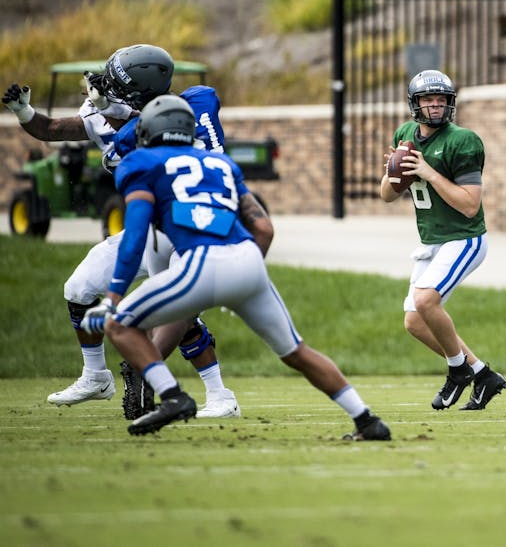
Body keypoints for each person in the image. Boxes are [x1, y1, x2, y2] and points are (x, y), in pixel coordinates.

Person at [76, 95, 391, 439]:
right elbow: (262, 227)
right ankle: (366, 420)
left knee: (118, 324)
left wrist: (113, 296)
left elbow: (136, 236)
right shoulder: (221, 164)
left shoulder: (141, 163)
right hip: (248, 261)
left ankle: (172, 396)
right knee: (297, 352)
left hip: (202, 261)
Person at [2, 44, 240, 419]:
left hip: (194, 226)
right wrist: (25, 113)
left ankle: (218, 394)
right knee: (78, 288)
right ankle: (96, 376)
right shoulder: (125, 114)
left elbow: (139, 128)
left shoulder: (181, 116)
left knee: (180, 307)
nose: (102, 86)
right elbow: (53, 129)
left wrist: (113, 111)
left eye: (113, 83)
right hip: (151, 228)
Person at [379, 70, 506, 411]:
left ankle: (457, 370)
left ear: (449, 103)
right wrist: (395, 173)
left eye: (441, 100)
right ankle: (481, 374)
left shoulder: (463, 141)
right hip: (431, 240)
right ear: (415, 103)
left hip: (463, 239)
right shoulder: (406, 134)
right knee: (414, 322)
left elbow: (469, 205)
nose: (435, 106)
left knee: (425, 301)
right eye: (427, 99)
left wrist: (428, 172)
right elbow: (386, 196)